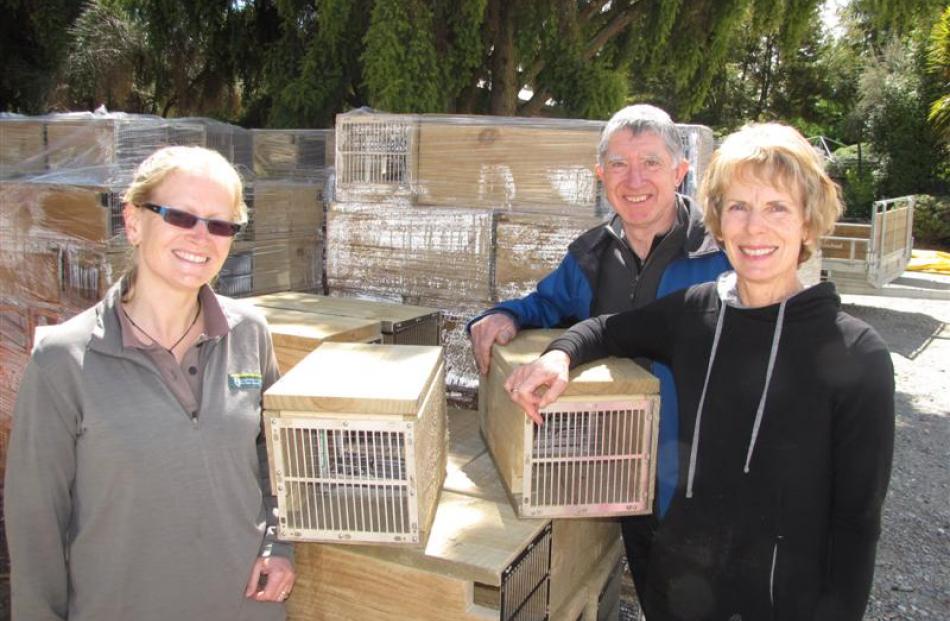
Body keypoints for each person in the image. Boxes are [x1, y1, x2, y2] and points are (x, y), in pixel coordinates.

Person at [505, 123, 895, 620]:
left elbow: (857, 525)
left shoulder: (858, 354)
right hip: (681, 595)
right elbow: (606, 329)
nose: (755, 228)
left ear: (809, 222)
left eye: (777, 207)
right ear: (718, 219)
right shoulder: (696, 313)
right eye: (739, 207)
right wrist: (559, 356)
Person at [4, 146, 295, 621]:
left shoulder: (249, 334)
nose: (202, 238)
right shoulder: (63, 358)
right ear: (134, 222)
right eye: (181, 216)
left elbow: (276, 457)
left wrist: (279, 544)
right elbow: (35, 524)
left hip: (243, 608)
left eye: (220, 224)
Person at [468, 104, 730, 595]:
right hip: (622, 480)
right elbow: (545, 302)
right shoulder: (589, 255)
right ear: (599, 175)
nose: (634, 179)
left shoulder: (721, 256)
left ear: (680, 170)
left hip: (703, 489)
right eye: (618, 164)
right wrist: (504, 315)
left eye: (651, 162)